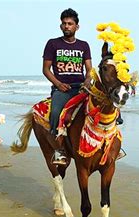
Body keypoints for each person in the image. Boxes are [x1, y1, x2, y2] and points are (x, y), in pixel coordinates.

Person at [42, 8, 92, 165]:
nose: (66, 26)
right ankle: (59, 151)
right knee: (56, 112)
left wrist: (87, 80)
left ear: (77, 26)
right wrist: (58, 84)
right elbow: (46, 69)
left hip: (81, 87)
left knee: (105, 105)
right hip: (61, 89)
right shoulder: (52, 44)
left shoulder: (84, 45)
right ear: (60, 26)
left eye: (70, 24)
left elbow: (89, 69)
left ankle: (110, 145)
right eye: (64, 23)